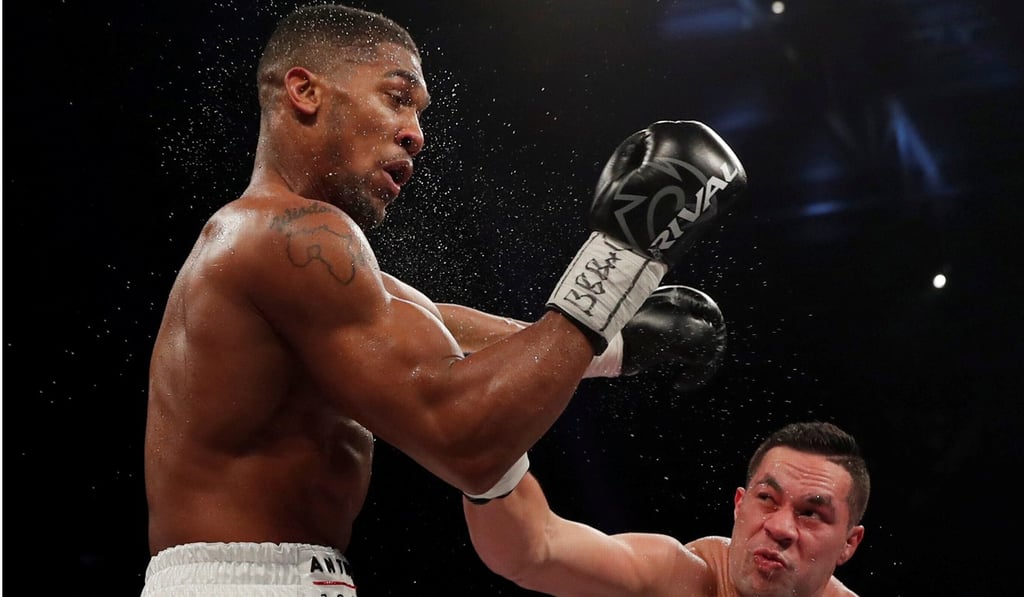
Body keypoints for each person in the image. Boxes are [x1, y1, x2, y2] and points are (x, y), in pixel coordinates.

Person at [142, 3, 746, 596]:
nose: (416, 132)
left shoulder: (285, 251)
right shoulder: (287, 235)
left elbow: (444, 329)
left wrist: (621, 345)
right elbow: (465, 442)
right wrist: (621, 258)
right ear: (305, 91)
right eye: (397, 97)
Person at [464, 421, 870, 597]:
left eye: (811, 513)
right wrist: (487, 466)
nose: (780, 527)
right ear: (739, 506)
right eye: (767, 499)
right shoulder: (676, 577)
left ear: (849, 544)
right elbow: (534, 551)